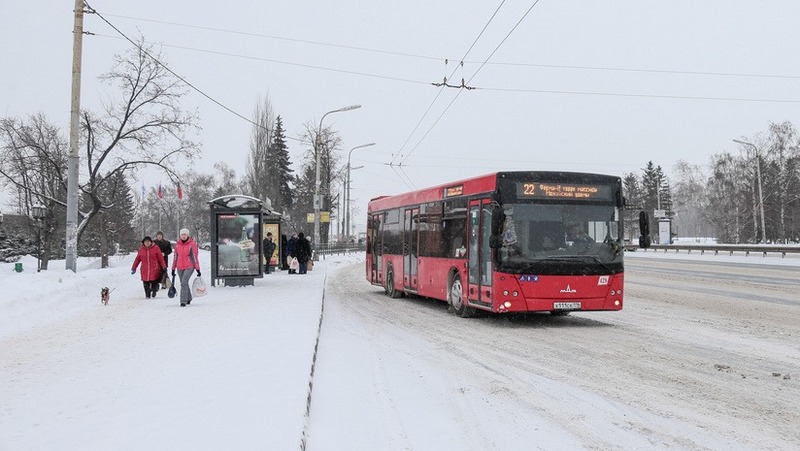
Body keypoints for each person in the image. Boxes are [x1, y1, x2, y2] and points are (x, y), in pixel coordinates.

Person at [171, 228, 201, 307]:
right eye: (182, 234)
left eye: (185, 234)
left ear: (188, 235)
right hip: (179, 266)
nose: (183, 236)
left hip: (189, 266)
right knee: (183, 283)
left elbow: (195, 256)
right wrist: (173, 267)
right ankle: (188, 298)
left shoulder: (192, 244)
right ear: (180, 236)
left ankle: (183, 301)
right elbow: (175, 256)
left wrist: (197, 268)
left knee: (184, 282)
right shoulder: (177, 245)